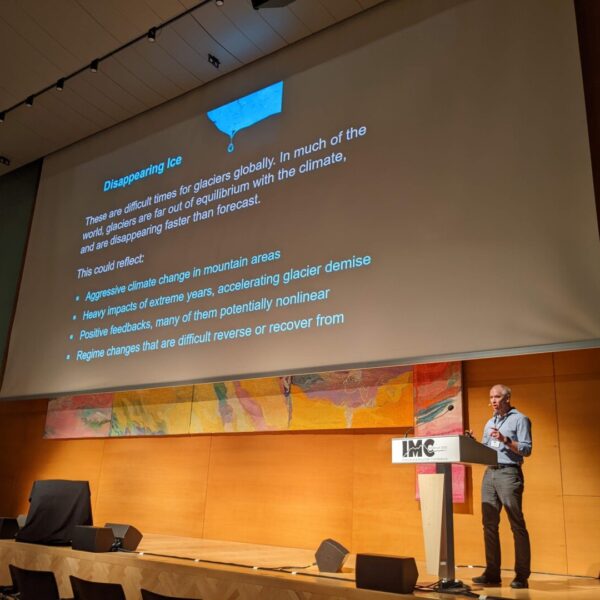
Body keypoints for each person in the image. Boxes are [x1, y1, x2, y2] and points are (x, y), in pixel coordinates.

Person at [471, 384, 532, 589]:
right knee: (489, 524)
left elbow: (526, 449)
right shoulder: (490, 422)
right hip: (490, 474)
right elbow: (486, 449)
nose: (493, 401)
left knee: (516, 524)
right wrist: (472, 443)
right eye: (491, 397)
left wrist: (505, 439)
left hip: (509, 473)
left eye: (497, 397)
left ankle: (521, 576)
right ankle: (492, 573)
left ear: (507, 398)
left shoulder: (520, 419)